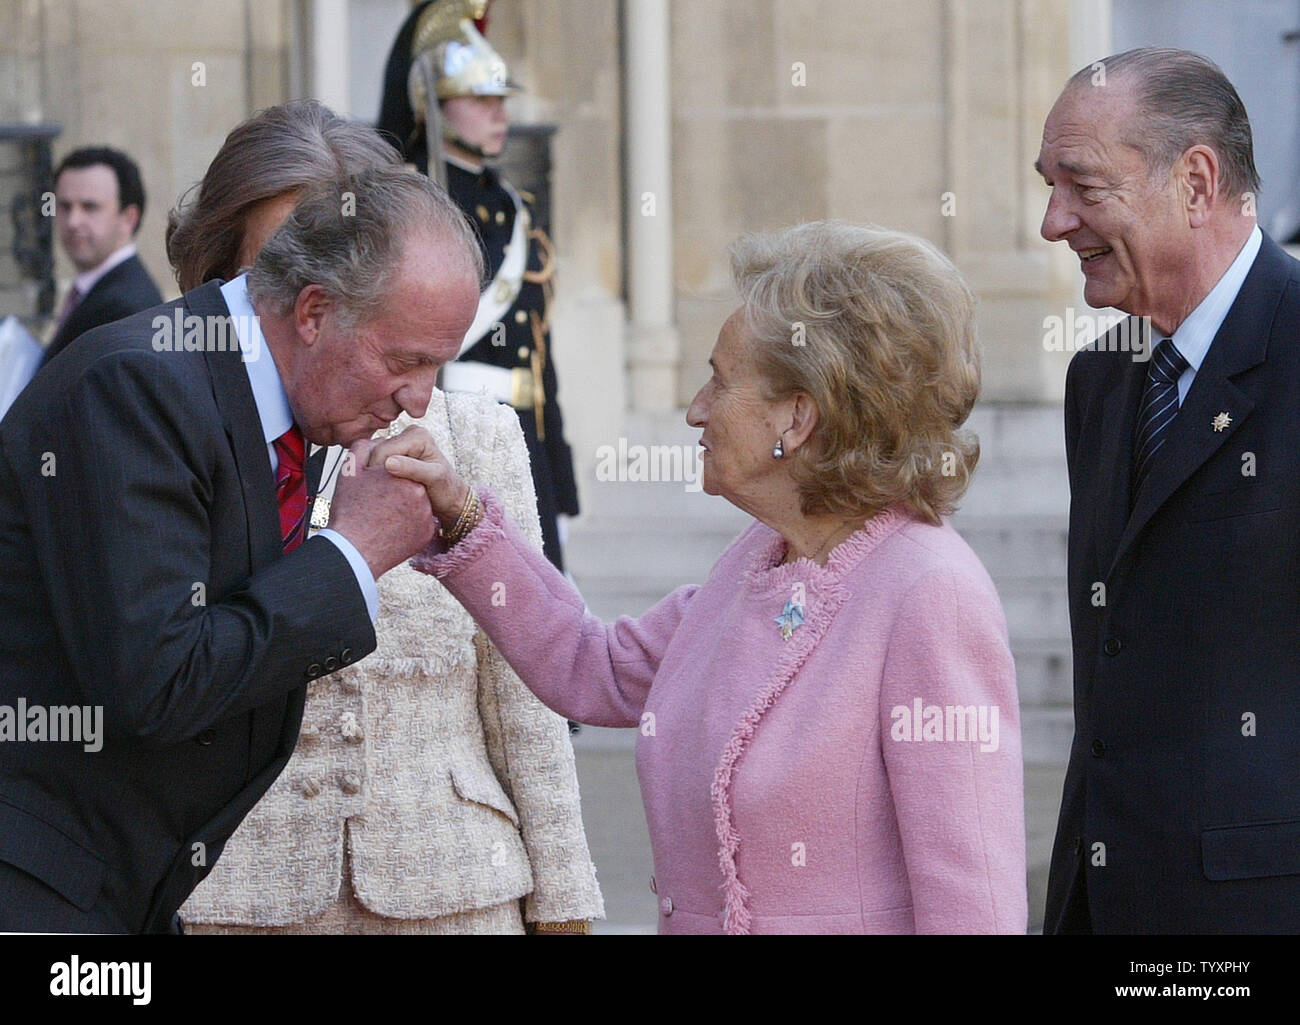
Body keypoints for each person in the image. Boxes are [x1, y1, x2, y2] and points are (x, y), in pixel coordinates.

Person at [381, 221, 1027, 934]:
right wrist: (463, 514)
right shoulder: (758, 562)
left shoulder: (929, 590)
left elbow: (976, 906)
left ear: (798, 416)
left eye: (720, 380)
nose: (695, 408)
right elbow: (589, 664)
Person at [0, 164, 480, 933]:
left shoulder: (296, 406)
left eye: (437, 364)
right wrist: (352, 554)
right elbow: (159, 681)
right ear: (314, 311)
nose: (419, 398)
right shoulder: (140, 383)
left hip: (126, 893)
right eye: (404, 360)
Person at [168, 101, 602, 935]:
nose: (308, 287)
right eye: (277, 263)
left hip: (456, 891)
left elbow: (528, 697)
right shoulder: (170, 435)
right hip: (239, 895)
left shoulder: (474, 435)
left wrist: (566, 908)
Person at [1035, 48, 1300, 933]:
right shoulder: (1101, 379)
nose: (1052, 222)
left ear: (1195, 182)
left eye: (1082, 187)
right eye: (1048, 186)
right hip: (1101, 902)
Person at [377, 0, 581, 572]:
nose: (500, 114)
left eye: (502, 100)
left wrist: (560, 482)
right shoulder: (405, 201)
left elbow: (540, 358)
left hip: (522, 440)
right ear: (434, 106)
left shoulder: (513, 208)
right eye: (481, 100)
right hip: (444, 427)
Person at [42, 146, 163, 366]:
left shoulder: (125, 306)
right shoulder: (101, 291)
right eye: (65, 206)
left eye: (90, 207)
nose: (73, 222)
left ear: (129, 218)